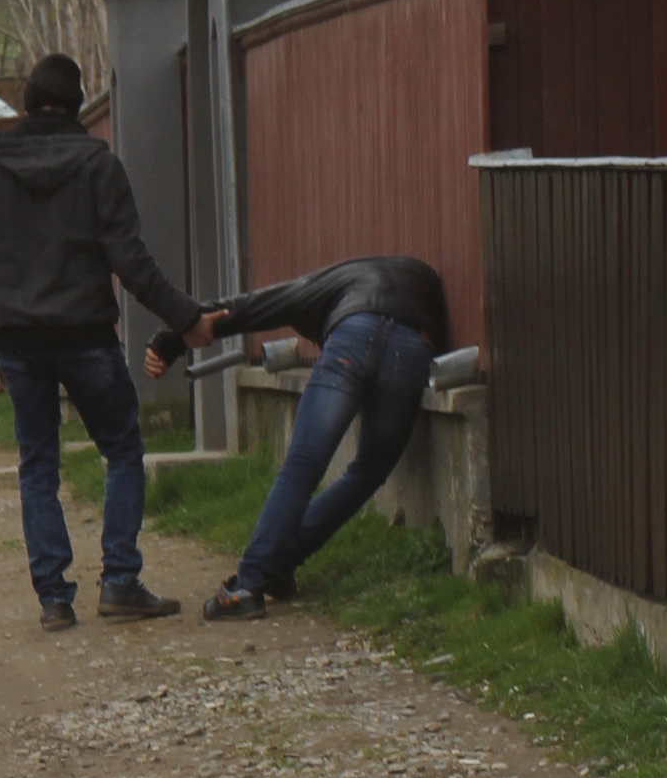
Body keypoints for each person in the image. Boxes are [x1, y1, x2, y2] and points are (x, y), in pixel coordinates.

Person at [0, 53, 225, 633]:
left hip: (16, 343)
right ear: (78, 105)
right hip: (85, 336)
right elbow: (132, 262)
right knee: (122, 450)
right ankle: (120, 581)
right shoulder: (98, 165)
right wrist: (187, 318)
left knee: (38, 464)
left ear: (27, 103)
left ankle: (54, 599)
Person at [143, 255, 448, 620]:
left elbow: (252, 308)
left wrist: (172, 340)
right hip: (412, 347)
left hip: (352, 337)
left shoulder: (325, 284)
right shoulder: (415, 276)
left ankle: (247, 585)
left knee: (304, 463)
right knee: (369, 469)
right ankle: (278, 562)